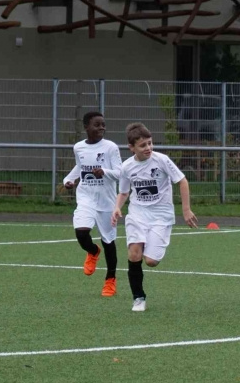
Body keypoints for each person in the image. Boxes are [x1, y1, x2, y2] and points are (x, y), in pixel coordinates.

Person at [111, 123, 198, 312]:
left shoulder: (162, 160)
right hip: (137, 214)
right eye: (143, 145)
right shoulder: (126, 167)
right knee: (134, 253)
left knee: (151, 261)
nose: (148, 148)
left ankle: (151, 246)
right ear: (132, 147)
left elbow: (182, 181)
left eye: (150, 143)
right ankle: (138, 298)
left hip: (161, 216)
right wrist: (117, 207)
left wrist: (186, 210)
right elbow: (124, 192)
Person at [63, 111, 122, 297]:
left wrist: (104, 172)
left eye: (103, 124)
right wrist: (69, 180)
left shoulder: (111, 147)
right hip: (86, 197)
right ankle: (93, 251)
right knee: (81, 232)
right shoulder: (78, 147)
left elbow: (120, 173)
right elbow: (80, 167)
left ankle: (110, 280)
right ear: (86, 127)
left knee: (108, 241)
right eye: (97, 125)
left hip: (106, 201)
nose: (101, 128)